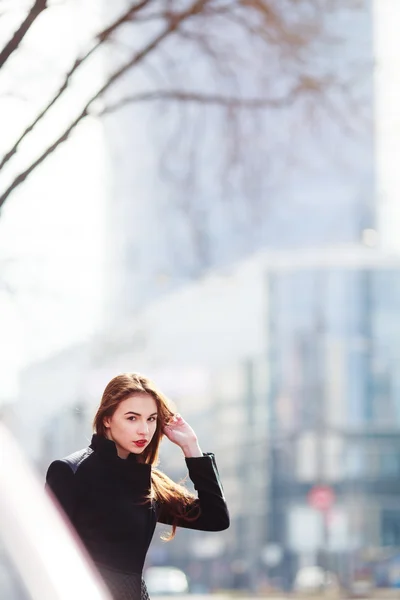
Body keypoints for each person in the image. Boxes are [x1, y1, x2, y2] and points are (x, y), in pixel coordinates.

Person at [45, 372, 229, 600]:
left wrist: (191, 447)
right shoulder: (70, 472)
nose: (144, 430)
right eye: (132, 418)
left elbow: (215, 518)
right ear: (107, 419)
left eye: (151, 419)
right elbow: (45, 556)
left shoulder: (148, 483)